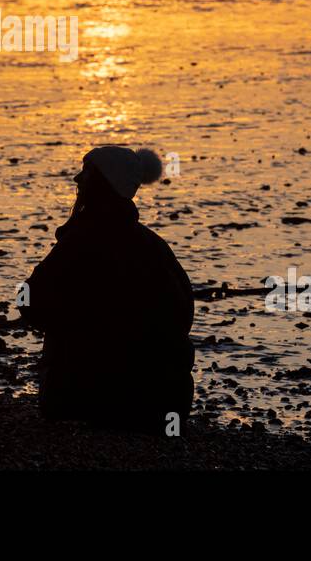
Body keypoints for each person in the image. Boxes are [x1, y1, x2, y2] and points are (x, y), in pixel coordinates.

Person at [19, 146, 194, 431]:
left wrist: (69, 324)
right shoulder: (156, 247)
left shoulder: (78, 242)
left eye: (86, 173)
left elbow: (28, 300)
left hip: (86, 400)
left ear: (105, 183)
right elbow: (182, 315)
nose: (77, 179)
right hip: (163, 405)